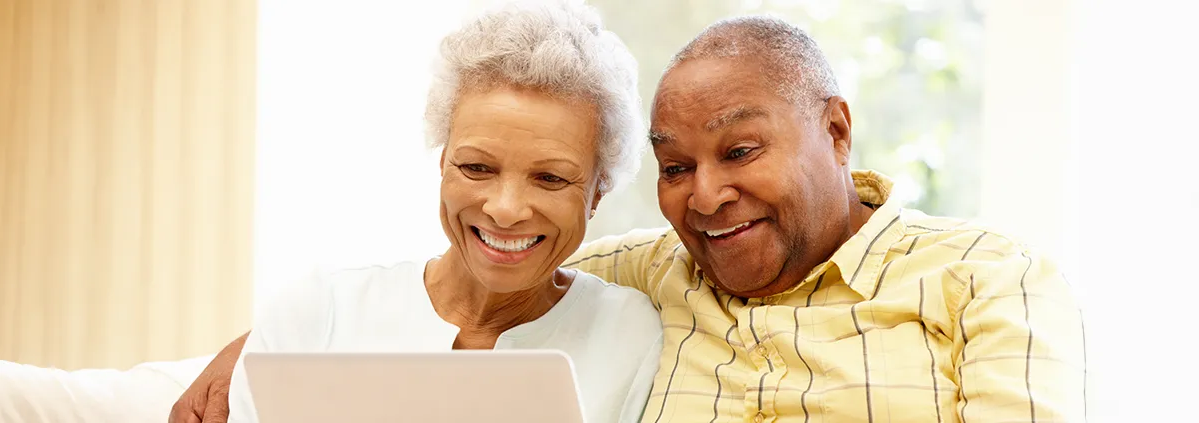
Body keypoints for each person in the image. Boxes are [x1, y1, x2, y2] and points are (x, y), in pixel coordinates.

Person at [172, 14, 1087, 423]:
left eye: (739, 151)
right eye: (676, 166)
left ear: (836, 131)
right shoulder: (655, 273)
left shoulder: (985, 276)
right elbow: (504, 261)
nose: (705, 194)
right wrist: (267, 344)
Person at [182, 2, 664, 423]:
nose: (505, 209)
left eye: (551, 178)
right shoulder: (318, 312)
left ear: (599, 190)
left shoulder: (631, 334)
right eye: (477, 167)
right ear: (442, 160)